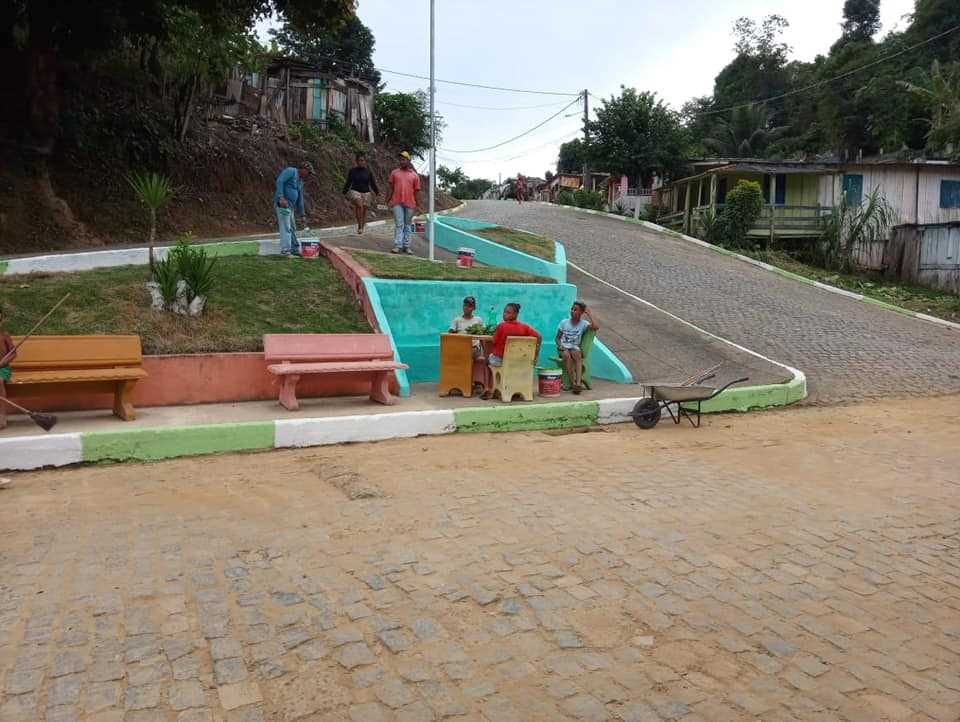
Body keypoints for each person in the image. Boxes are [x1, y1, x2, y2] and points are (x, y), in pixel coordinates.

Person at [482, 302, 541, 399]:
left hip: (502, 361)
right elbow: (539, 337)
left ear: (515, 314)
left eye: (508, 312)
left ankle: (487, 388)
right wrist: (536, 354)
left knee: (486, 361)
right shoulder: (524, 327)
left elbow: (493, 341)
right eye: (504, 312)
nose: (504, 314)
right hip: (520, 361)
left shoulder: (501, 326)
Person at [555, 300, 599, 395]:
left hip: (574, 347)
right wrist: (560, 346)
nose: (572, 311)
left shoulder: (583, 323)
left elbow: (595, 327)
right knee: (567, 356)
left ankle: (578, 383)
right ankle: (572, 383)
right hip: (563, 347)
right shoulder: (564, 322)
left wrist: (590, 314)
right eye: (572, 309)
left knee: (577, 355)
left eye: (575, 310)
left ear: (581, 312)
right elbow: (557, 338)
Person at [274, 161, 314, 256]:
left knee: (292, 228)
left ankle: (294, 249)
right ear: (304, 169)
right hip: (282, 204)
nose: (309, 175)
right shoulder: (291, 171)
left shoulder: (300, 181)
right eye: (309, 172)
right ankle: (285, 250)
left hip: (290, 207)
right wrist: (281, 197)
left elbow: (300, 199)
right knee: (286, 227)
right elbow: (280, 180)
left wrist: (302, 215)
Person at [448, 296, 486, 393]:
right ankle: (466, 382)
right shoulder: (457, 320)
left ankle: (473, 382)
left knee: (475, 354)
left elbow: (483, 336)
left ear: (474, 308)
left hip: (474, 348)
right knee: (465, 354)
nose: (466, 308)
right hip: (460, 348)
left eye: (469, 306)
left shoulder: (478, 320)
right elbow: (450, 334)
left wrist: (484, 351)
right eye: (465, 305)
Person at [388, 151, 422, 254]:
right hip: (397, 202)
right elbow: (390, 188)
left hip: (410, 203)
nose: (401, 161)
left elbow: (417, 191)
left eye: (403, 159)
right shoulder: (394, 173)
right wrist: (387, 200)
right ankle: (398, 245)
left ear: (408, 161)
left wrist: (419, 205)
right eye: (400, 159)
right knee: (399, 224)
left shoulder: (414, 175)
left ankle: (406, 246)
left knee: (407, 225)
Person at [342, 152, 379, 236]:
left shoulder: (368, 172)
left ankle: (362, 225)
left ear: (365, 161)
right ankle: (359, 226)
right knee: (359, 205)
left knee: (364, 209)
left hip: (366, 192)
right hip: (355, 191)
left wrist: (377, 192)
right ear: (356, 161)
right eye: (359, 160)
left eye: (362, 160)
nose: (361, 162)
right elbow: (348, 182)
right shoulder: (352, 171)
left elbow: (372, 183)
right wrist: (344, 191)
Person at [0, 304, 16, 431]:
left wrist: (3, 362)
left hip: (2, 368)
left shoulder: (4, 335)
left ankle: (2, 416)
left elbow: (13, 353)